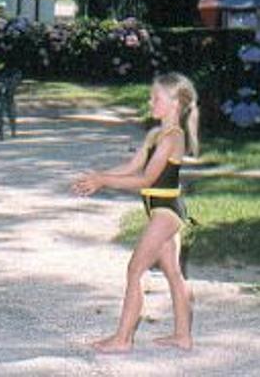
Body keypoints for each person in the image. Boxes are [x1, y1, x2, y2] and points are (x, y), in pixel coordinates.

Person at [72, 72, 200, 353]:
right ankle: (182, 336)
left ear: (175, 103)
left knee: (135, 270)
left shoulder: (173, 138)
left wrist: (104, 181)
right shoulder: (156, 135)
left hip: (166, 211)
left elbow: (146, 179)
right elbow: (132, 167)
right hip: (161, 209)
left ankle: (123, 339)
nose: (150, 102)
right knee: (173, 272)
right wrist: (99, 175)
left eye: (156, 98)